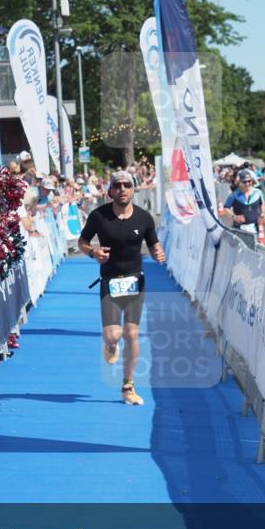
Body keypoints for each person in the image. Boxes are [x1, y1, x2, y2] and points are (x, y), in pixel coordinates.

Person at [78, 170, 165, 406]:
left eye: (127, 185)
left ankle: (127, 386)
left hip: (136, 279)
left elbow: (154, 243)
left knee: (132, 333)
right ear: (110, 191)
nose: (123, 189)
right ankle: (110, 344)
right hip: (110, 280)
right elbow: (82, 242)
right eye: (118, 185)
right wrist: (93, 253)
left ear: (134, 189)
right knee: (113, 334)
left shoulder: (144, 218)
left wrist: (158, 252)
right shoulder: (99, 216)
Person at [222, 168, 265, 234]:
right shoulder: (234, 194)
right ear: (240, 182)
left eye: (249, 181)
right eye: (244, 182)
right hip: (239, 229)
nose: (247, 184)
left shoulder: (258, 193)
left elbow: (262, 203)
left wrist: (263, 213)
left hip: (254, 229)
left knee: (254, 244)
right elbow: (226, 208)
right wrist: (234, 217)